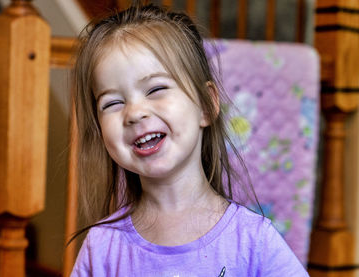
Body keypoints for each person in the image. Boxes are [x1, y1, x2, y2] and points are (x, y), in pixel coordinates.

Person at [70, 2, 309, 276]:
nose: (134, 113)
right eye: (112, 103)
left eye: (156, 88)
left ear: (206, 106)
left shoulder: (254, 241)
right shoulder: (102, 247)